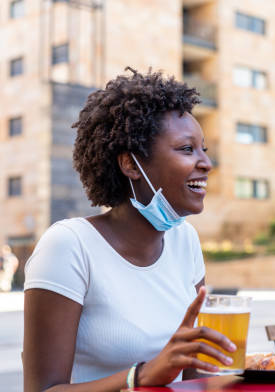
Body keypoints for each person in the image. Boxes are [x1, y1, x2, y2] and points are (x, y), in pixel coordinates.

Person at [23, 68, 237, 391]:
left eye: (203, 149)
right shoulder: (68, 246)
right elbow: (41, 389)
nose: (206, 163)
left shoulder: (185, 241)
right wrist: (139, 378)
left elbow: (196, 378)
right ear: (131, 164)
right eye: (186, 149)